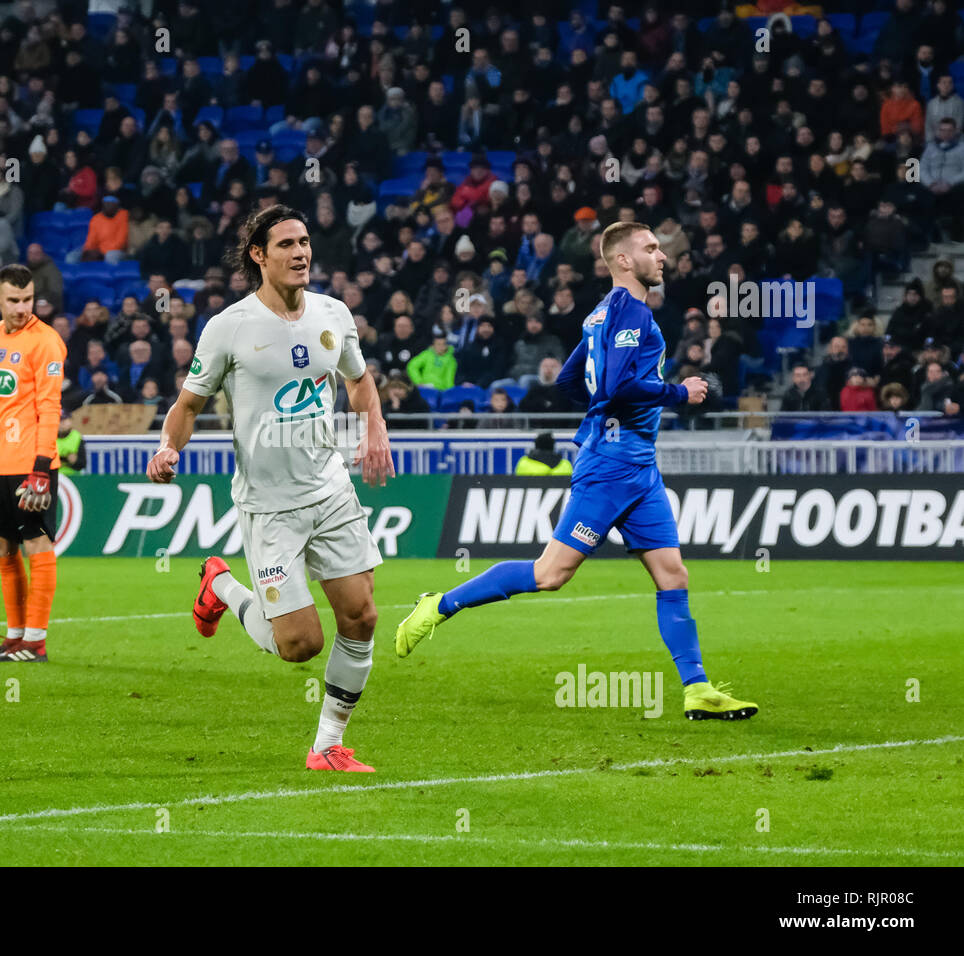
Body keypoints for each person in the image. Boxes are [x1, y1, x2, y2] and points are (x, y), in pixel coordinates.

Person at [395, 220, 758, 722]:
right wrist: (678, 392)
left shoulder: (601, 313)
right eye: (652, 248)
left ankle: (696, 688)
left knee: (673, 573)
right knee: (550, 575)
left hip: (638, 467)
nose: (663, 256)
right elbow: (615, 382)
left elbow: (571, 380)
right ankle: (439, 605)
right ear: (624, 261)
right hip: (610, 467)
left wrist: (606, 413)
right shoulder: (629, 310)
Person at [147, 204, 394, 772]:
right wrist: (168, 448)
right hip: (270, 506)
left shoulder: (333, 313)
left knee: (361, 617)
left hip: (330, 490)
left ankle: (326, 746)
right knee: (298, 645)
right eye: (286, 244)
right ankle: (223, 587)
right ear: (259, 255)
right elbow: (188, 404)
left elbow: (359, 381)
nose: (301, 253)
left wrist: (374, 428)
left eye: (305, 242)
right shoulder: (229, 327)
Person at [0, 264, 67, 664]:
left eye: (28, 300)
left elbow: (50, 407)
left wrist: (41, 467)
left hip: (33, 465)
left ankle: (36, 642)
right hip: (2, 464)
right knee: (1, 544)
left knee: (36, 542)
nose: (22, 308)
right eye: (14, 300)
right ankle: (14, 636)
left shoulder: (46, 342)